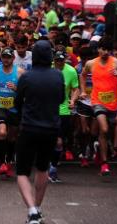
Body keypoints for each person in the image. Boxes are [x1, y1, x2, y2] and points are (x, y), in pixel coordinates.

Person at [15, 40, 65, 224]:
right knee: (43, 168)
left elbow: (17, 102)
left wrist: (24, 116)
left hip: (29, 127)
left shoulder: (26, 77)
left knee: (22, 172)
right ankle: (37, 208)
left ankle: (32, 210)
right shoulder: (58, 76)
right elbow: (61, 99)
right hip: (51, 128)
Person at [81, 37, 117, 176]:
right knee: (104, 129)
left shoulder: (116, 63)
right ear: (98, 49)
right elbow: (82, 75)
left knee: (108, 131)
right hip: (97, 101)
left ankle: (100, 149)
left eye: (107, 50)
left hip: (113, 104)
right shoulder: (91, 63)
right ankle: (105, 164)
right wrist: (82, 90)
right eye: (102, 49)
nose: (104, 52)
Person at [0, 47, 24, 177]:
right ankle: (2, 162)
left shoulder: (20, 73)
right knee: (2, 133)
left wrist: (17, 88)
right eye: (4, 57)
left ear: (13, 58)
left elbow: (26, 90)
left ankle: (8, 160)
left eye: (9, 57)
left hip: (14, 108)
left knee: (12, 137)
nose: (6, 60)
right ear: (1, 58)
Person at [49, 49, 79, 183]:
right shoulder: (47, 69)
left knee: (59, 142)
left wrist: (73, 100)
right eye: (57, 60)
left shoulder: (71, 71)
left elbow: (75, 88)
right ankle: (46, 165)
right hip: (47, 110)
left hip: (63, 111)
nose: (59, 63)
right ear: (53, 60)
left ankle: (53, 168)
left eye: (61, 60)